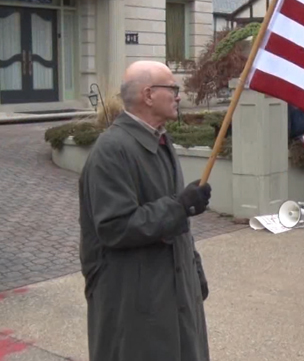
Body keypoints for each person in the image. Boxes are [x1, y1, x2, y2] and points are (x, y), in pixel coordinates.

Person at [78, 61, 211, 361]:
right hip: (134, 301)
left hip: (172, 291)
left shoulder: (162, 141)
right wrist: (179, 206)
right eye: (173, 89)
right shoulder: (111, 150)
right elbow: (115, 226)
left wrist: (194, 270)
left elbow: (179, 227)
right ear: (148, 95)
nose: (179, 96)